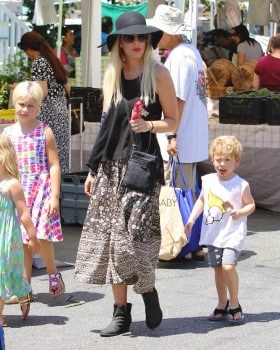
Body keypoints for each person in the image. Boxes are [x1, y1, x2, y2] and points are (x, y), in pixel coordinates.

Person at [74, 11, 178, 337]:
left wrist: (149, 125)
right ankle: (121, 313)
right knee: (110, 242)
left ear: (148, 41)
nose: (136, 42)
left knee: (132, 242)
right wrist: (92, 169)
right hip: (110, 169)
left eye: (142, 37)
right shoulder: (113, 76)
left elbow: (174, 121)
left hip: (143, 167)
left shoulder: (158, 74)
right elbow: (107, 128)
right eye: (130, 37)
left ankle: (147, 290)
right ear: (119, 42)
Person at [148, 4, 209, 260]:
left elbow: (178, 99)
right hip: (191, 135)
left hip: (180, 137)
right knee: (188, 191)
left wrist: (172, 135)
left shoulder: (178, 58)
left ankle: (182, 245)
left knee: (177, 194)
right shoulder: (191, 53)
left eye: (158, 30)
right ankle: (192, 244)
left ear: (169, 32)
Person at [3, 81, 65, 300]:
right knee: (22, 242)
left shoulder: (44, 131)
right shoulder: (8, 133)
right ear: (14, 104)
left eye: (31, 105)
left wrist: (54, 196)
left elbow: (54, 164)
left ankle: (53, 273)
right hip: (18, 191)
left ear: (38, 106)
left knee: (41, 235)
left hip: (41, 190)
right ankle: (24, 289)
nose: (25, 110)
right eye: (21, 104)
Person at [185, 135, 255, 323]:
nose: (221, 164)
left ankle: (234, 303)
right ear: (212, 160)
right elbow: (201, 201)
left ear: (236, 161)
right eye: (218, 159)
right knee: (217, 268)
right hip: (214, 233)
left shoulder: (241, 184)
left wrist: (240, 212)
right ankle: (221, 303)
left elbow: (251, 205)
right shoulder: (208, 180)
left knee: (228, 266)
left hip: (233, 233)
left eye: (227, 160)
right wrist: (191, 220)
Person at [0, 134, 40, 325]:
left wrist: (32, 237)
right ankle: (23, 297)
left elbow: (24, 213)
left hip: (6, 238)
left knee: (4, 272)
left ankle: (3, 313)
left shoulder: (12, 184)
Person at [18, 31, 70, 174]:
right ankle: (60, 191)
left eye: (25, 51)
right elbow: (67, 87)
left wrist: (27, 91)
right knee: (60, 156)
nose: (27, 54)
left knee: (46, 157)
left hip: (48, 113)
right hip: (61, 111)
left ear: (29, 48)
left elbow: (42, 91)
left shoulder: (39, 63)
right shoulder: (54, 60)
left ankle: (49, 193)